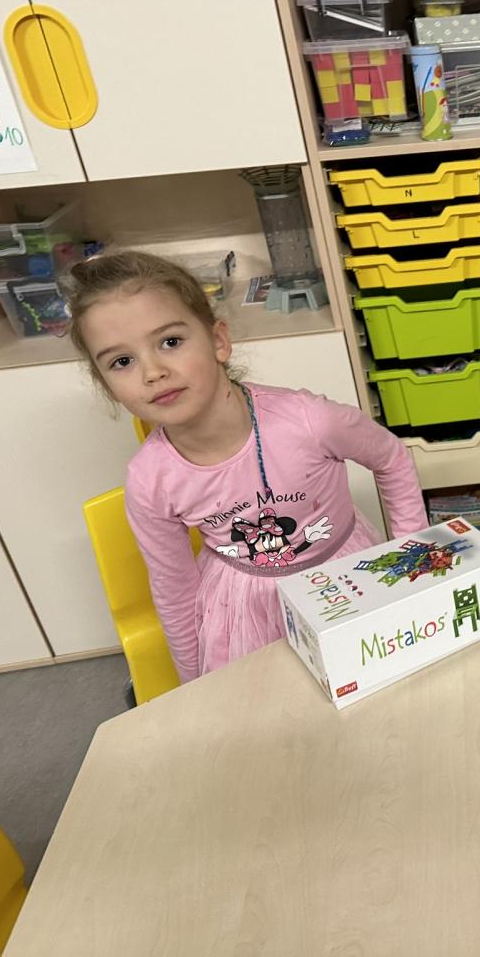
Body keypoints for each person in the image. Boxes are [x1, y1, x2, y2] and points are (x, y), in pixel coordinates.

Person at [67, 251, 428, 681]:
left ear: (218, 341)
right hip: (242, 610)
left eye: (170, 342)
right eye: (121, 362)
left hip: (344, 575)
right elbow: (175, 591)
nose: (153, 372)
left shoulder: (310, 421)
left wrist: (413, 561)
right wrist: (195, 684)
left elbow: (391, 458)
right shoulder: (148, 482)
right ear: (107, 385)